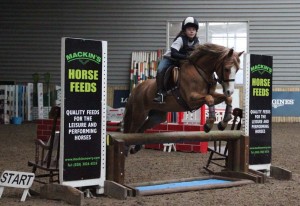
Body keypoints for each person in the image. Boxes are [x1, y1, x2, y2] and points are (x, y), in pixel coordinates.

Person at [153, 16, 200, 103]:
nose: (191, 31)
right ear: (184, 30)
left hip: (182, 60)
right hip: (170, 59)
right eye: (189, 29)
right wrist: (188, 57)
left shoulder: (197, 41)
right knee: (160, 70)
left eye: (193, 29)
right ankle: (160, 93)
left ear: (196, 31)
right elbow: (174, 53)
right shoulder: (180, 39)